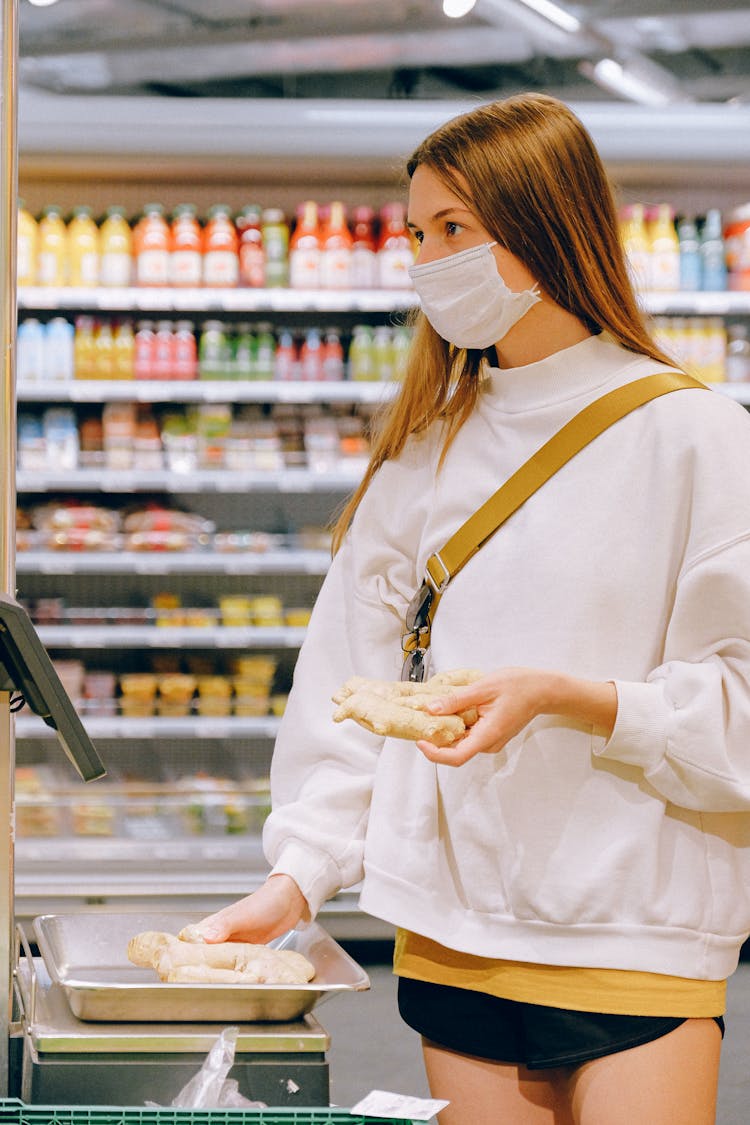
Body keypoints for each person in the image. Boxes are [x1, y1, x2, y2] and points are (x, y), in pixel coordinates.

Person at [195, 93, 750, 1124]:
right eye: (417, 233)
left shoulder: (697, 436)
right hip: (449, 937)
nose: (428, 259)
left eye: (455, 230)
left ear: (547, 228)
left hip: (633, 930)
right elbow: (350, 694)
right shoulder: (424, 446)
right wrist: (295, 882)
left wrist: (570, 696)